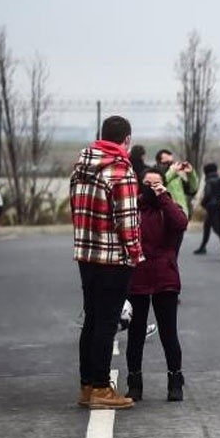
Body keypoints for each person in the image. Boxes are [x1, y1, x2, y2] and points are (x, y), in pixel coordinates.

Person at [69, 116, 141, 410]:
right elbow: (127, 220)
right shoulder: (120, 170)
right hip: (113, 256)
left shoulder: (81, 168)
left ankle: (87, 385)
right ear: (126, 140)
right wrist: (134, 252)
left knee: (92, 318)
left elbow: (74, 208)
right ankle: (102, 387)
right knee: (107, 323)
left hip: (86, 254)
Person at [124, 168, 189, 403]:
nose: (151, 187)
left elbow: (181, 223)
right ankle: (134, 381)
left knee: (168, 332)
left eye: (156, 183)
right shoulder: (132, 207)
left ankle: (175, 380)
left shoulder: (168, 208)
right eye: (147, 183)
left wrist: (164, 197)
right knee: (136, 333)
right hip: (138, 276)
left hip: (165, 277)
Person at [155, 149, 197, 215]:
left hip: (181, 215)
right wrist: (172, 172)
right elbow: (160, 184)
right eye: (167, 163)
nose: (170, 166)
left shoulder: (176, 177)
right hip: (166, 216)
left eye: (172, 163)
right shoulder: (154, 175)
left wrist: (191, 174)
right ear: (158, 163)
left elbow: (193, 190)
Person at [192, 163, 220, 255]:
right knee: (207, 226)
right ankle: (202, 246)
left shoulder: (209, 181)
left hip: (211, 206)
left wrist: (203, 203)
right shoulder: (219, 179)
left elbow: (208, 194)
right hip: (217, 206)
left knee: (216, 228)